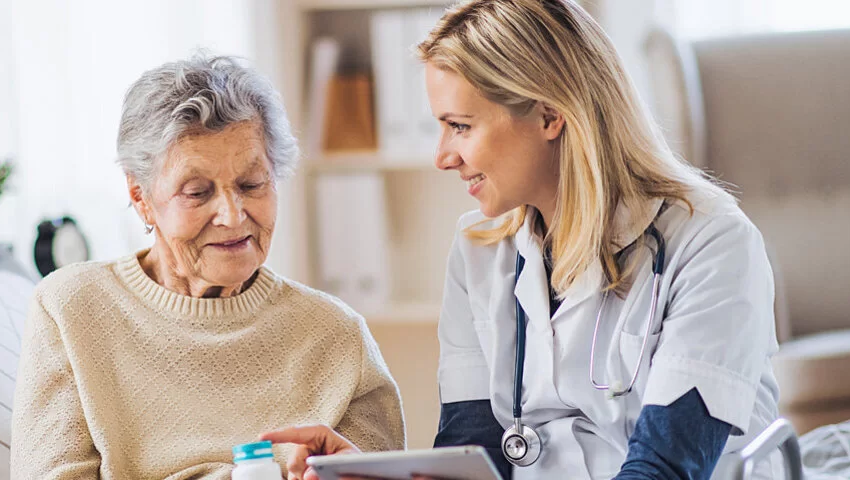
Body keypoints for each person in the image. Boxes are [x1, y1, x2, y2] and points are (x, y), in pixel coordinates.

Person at [261, 1, 781, 479]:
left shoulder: (712, 243)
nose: (443, 156)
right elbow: (470, 451)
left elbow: (665, 468)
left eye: (460, 126)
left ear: (550, 115)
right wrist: (374, 476)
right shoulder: (478, 250)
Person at [11, 54, 406, 479]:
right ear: (141, 197)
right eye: (197, 193)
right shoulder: (72, 309)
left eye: (252, 184)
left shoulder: (336, 335)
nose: (233, 216)